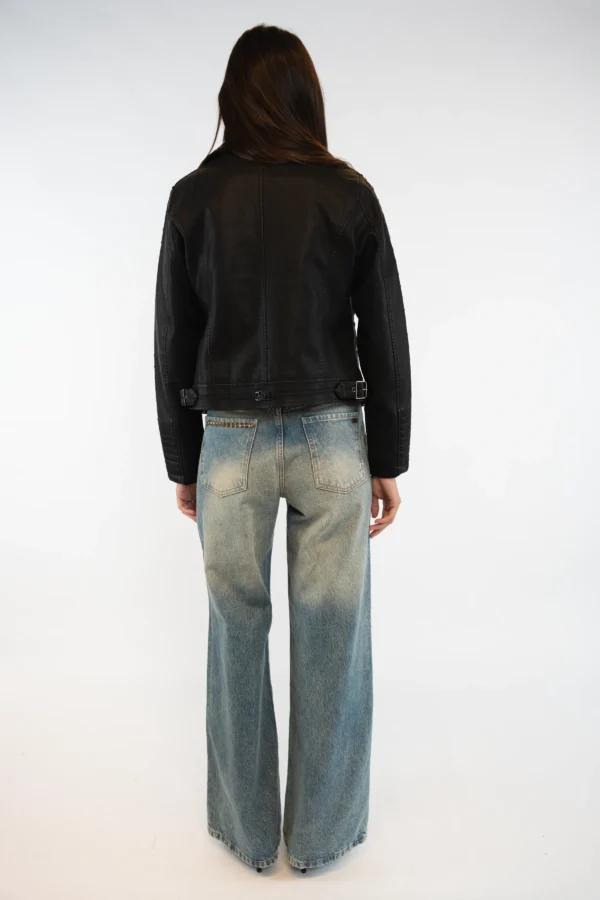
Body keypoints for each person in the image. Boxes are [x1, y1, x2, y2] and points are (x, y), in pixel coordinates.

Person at [153, 23, 412, 874]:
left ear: (232, 97)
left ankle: (248, 834)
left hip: (226, 443)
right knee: (334, 636)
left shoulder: (193, 198)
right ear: (306, 96)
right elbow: (384, 331)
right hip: (332, 441)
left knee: (234, 630)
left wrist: (183, 462)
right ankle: (322, 840)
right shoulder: (348, 194)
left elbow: (171, 338)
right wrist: (388, 457)